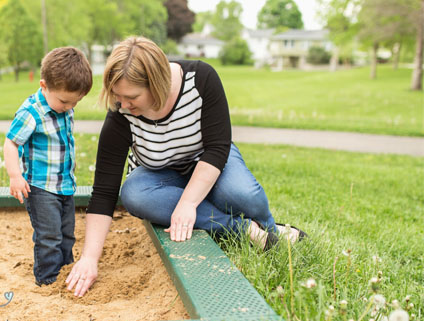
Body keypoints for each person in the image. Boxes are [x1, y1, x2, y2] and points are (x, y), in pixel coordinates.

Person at [65, 36, 306, 298]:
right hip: (160, 179)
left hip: (209, 163)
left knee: (241, 195)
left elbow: (217, 147)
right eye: (117, 96)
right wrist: (89, 258)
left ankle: (271, 230)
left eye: (132, 97)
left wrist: (189, 203)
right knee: (133, 194)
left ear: (157, 83)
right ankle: (243, 229)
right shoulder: (121, 114)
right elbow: (104, 193)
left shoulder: (201, 79)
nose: (123, 105)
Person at [4, 47, 92, 286]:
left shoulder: (63, 105)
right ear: (44, 86)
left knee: (66, 234)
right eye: (65, 101)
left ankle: (66, 271)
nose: (69, 106)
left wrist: (66, 103)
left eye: (76, 102)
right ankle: (48, 280)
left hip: (64, 185)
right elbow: (11, 143)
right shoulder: (32, 112)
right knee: (49, 236)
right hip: (41, 188)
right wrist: (15, 175)